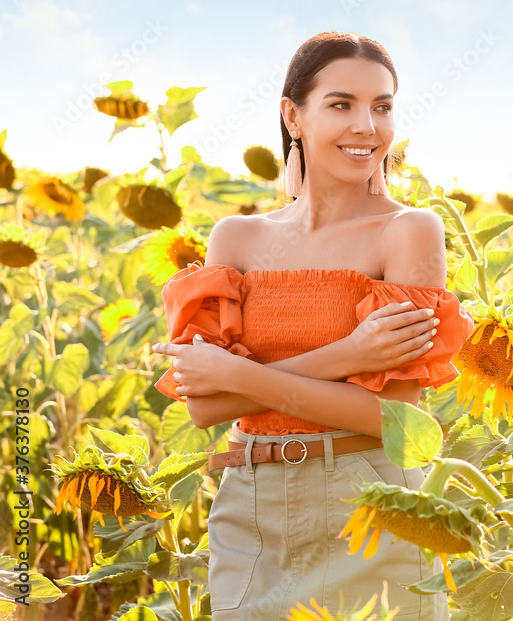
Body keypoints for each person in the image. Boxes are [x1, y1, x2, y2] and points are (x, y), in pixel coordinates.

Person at [151, 31, 474, 621]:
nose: (367, 127)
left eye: (382, 106)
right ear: (292, 115)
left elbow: (398, 422)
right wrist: (347, 355)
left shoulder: (408, 232)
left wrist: (236, 374)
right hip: (249, 506)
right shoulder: (237, 239)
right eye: (341, 104)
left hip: (371, 505)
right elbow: (205, 407)